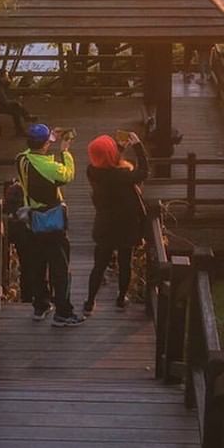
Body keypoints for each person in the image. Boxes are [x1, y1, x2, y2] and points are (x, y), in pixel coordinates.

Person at [17, 123, 83, 326]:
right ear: (45, 144)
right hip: (53, 222)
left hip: (34, 221)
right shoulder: (49, 167)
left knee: (38, 265)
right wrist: (65, 151)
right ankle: (63, 312)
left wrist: (50, 137)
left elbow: (33, 154)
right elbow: (67, 174)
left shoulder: (21, 160)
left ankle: (41, 305)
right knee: (60, 268)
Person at [83, 131, 149, 315]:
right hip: (126, 226)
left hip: (104, 225)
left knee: (99, 266)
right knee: (124, 263)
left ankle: (90, 302)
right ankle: (121, 298)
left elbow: (106, 160)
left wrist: (120, 147)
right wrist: (137, 146)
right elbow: (144, 172)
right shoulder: (122, 176)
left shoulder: (92, 172)